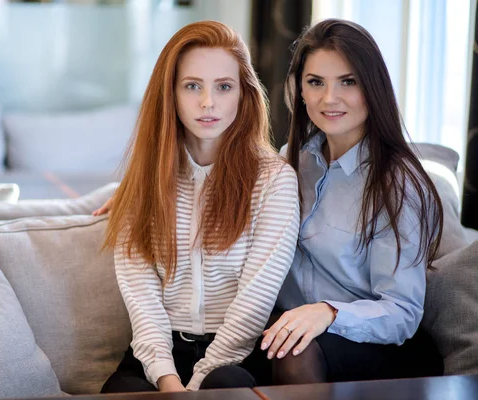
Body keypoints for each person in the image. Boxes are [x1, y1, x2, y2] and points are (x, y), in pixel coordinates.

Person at [98, 20, 300, 393]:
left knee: (224, 387)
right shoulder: (142, 182)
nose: (208, 102)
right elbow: (142, 300)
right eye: (192, 86)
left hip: (238, 356)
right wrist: (168, 380)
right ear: (170, 94)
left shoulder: (274, 180)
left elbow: (255, 301)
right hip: (158, 354)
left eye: (224, 87)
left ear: (243, 94)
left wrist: (195, 388)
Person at [260, 18, 444, 384]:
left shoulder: (398, 184)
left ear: (372, 87)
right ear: (299, 91)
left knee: (294, 350)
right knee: (224, 370)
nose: (330, 99)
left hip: (379, 346)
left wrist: (329, 312)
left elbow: (402, 313)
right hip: (294, 331)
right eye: (316, 82)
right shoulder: (290, 163)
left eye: (348, 81)